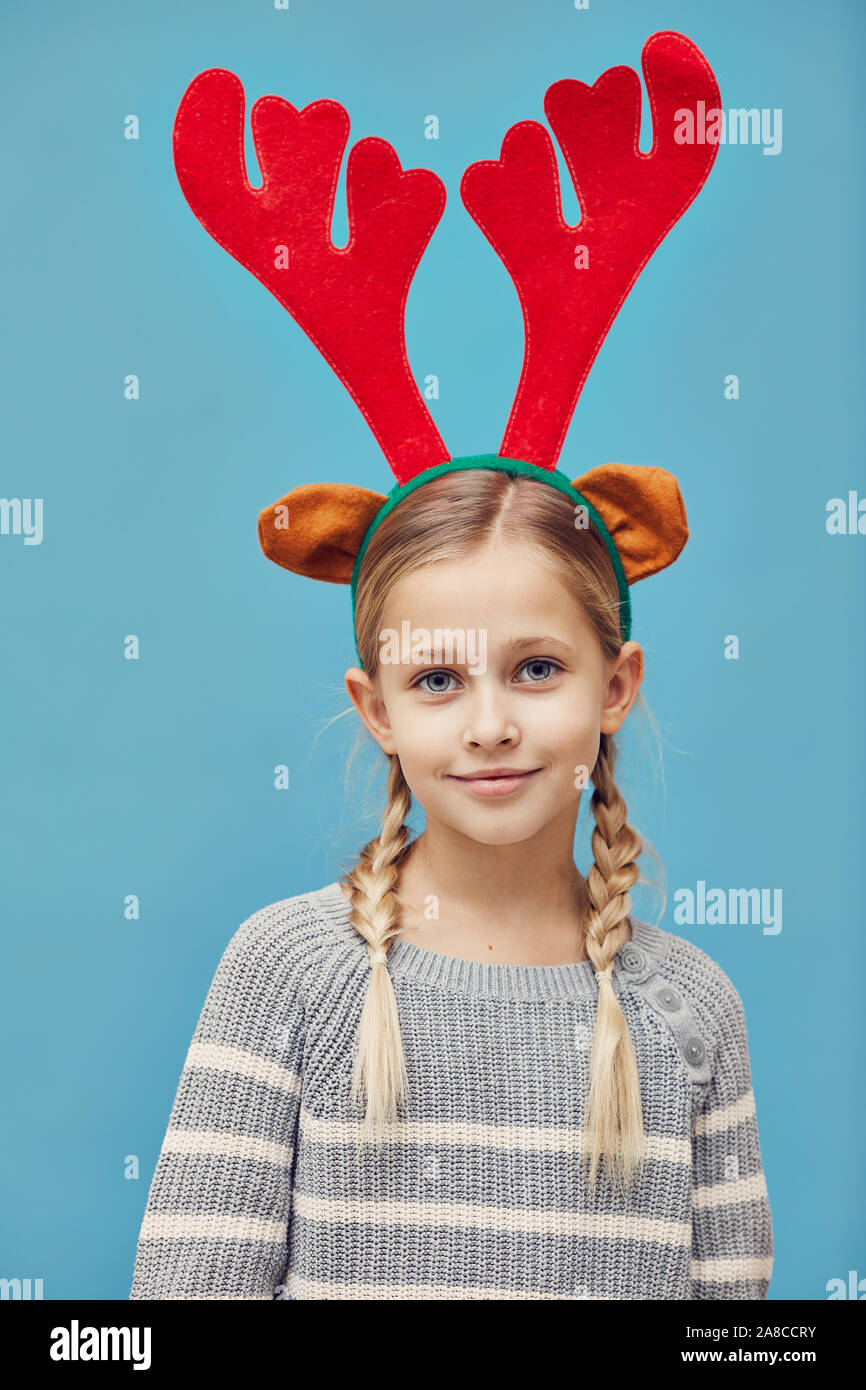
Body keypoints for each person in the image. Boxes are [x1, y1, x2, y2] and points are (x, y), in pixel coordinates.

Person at [130, 33, 773, 1299]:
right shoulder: (289, 973)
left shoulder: (692, 1008)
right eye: (435, 679)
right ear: (373, 707)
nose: (488, 722)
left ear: (616, 686)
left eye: (535, 669)